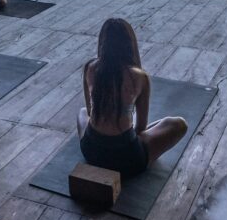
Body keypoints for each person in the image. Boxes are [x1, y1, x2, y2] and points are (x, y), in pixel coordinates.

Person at [77, 18, 188, 178]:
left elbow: (89, 111)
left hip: (91, 151)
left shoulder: (90, 68)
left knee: (81, 113)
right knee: (178, 124)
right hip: (128, 159)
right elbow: (141, 128)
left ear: (103, 43)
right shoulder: (139, 77)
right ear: (130, 45)